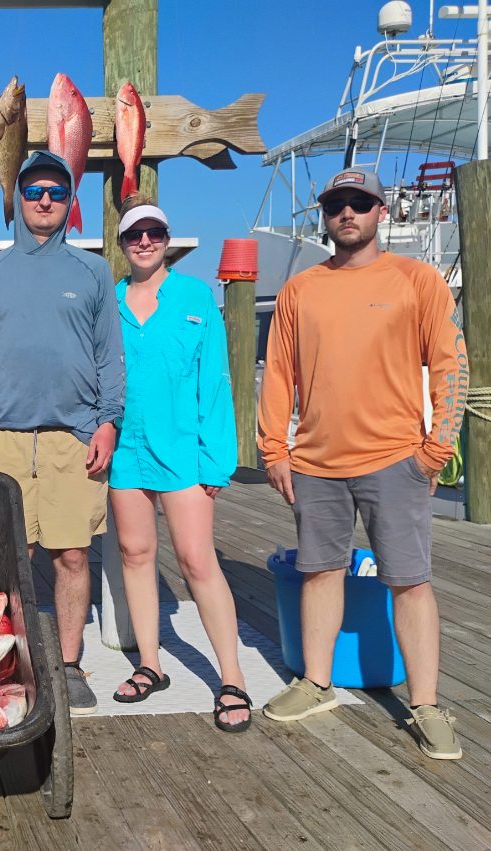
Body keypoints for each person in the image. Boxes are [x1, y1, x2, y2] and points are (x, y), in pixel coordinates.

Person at [258, 168, 468, 759]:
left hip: (396, 460)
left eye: (358, 202)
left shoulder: (417, 279)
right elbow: (278, 374)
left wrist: (437, 448)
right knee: (319, 571)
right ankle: (316, 683)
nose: (346, 213)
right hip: (316, 463)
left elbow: (451, 365)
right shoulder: (300, 290)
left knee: (410, 581)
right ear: (326, 217)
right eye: (335, 205)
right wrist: (274, 449)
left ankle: (426, 705)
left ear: (381, 211)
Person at [0, 151, 125, 715]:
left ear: (70, 201)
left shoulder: (93, 271)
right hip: (5, 437)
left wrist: (108, 421)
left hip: (73, 438)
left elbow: (109, 355)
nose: (44, 200)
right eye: (33, 191)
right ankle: (8, 664)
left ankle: (69, 665)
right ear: (18, 199)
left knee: (72, 556)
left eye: (56, 191)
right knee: (11, 557)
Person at [105, 200, 251, 732]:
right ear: (122, 244)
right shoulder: (110, 301)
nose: (144, 241)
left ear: (167, 239)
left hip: (185, 452)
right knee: (134, 553)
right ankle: (151, 663)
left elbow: (215, 380)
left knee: (196, 560)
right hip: (126, 450)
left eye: (154, 232)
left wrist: (217, 461)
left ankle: (231, 677)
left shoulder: (196, 296)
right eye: (134, 234)